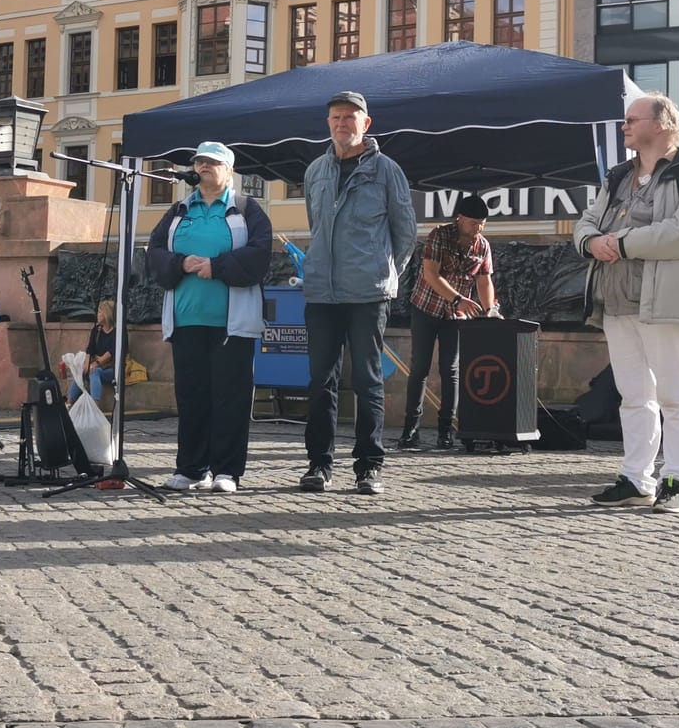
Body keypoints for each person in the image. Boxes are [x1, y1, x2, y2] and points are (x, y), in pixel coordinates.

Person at [574, 92, 679, 516]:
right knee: (634, 396)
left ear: (660, 124)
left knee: (677, 395)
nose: (625, 127)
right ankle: (637, 478)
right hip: (617, 301)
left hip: (669, 300)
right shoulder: (618, 175)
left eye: (632, 120)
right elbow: (586, 221)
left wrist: (617, 242)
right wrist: (590, 242)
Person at [300, 90, 417, 496]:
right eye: (335, 117)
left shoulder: (387, 170)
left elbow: (405, 233)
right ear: (327, 123)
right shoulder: (315, 170)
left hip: (368, 293)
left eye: (350, 117)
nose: (341, 124)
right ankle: (319, 464)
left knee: (367, 380)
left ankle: (369, 467)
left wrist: (385, 273)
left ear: (366, 124)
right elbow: (316, 225)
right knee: (321, 381)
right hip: (321, 293)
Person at [147, 142, 273, 493]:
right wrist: (179, 263)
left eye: (212, 162)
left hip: (232, 324)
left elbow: (260, 256)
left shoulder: (248, 210)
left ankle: (227, 471)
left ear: (229, 170)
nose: (202, 167)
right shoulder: (177, 210)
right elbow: (154, 252)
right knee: (192, 396)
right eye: (199, 161)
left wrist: (217, 267)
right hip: (187, 320)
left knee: (229, 397)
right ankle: (191, 468)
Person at [399, 193, 497, 451]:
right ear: (460, 218)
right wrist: (457, 299)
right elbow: (431, 274)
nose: (478, 228)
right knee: (419, 367)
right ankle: (410, 430)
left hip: (455, 316)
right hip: (426, 308)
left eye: (482, 223)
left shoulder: (482, 246)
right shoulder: (439, 235)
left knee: (450, 371)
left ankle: (446, 431)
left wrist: (490, 310)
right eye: (473, 222)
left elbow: (484, 280)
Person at [64, 298, 117, 405]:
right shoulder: (96, 330)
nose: (97, 315)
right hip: (97, 363)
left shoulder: (117, 332)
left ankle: (94, 404)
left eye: (99, 312)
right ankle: (69, 403)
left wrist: (96, 364)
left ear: (106, 314)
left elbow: (112, 351)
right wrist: (87, 364)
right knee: (81, 372)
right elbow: (90, 348)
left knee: (94, 371)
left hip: (112, 368)